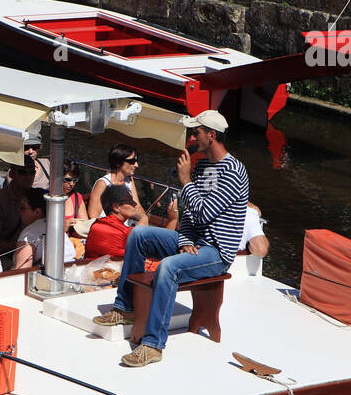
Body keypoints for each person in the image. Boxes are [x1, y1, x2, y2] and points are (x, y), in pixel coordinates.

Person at [98, 110, 248, 368]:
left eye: (196, 132)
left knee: (168, 266)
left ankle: (153, 345)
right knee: (139, 234)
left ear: (211, 136)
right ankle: (125, 308)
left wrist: (186, 180)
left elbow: (204, 212)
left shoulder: (234, 172)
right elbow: (189, 214)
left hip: (216, 252)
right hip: (194, 242)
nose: (192, 137)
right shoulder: (201, 166)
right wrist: (183, 241)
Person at [83, 183, 177, 259]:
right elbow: (164, 245)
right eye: (130, 201)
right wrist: (173, 219)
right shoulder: (118, 231)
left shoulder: (99, 224)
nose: (134, 204)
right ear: (116, 207)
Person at [12, 188, 77, 271]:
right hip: (71, 272)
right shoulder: (55, 226)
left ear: (37, 212)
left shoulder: (29, 233)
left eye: (22, 208)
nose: (19, 211)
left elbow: (21, 271)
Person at [0, 162, 36, 256]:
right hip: (5, 258)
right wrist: (22, 245)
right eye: (22, 172)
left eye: (32, 172)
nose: (28, 176)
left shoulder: (37, 197)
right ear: (11, 174)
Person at [88, 143, 141, 222]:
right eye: (132, 161)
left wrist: (144, 218)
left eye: (136, 161)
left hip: (125, 228)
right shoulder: (103, 183)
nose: (136, 165)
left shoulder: (129, 180)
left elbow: (137, 206)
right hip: (109, 228)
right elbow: (93, 216)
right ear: (118, 163)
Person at [60, 159, 90, 224]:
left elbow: (85, 225)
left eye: (75, 180)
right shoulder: (47, 197)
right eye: (67, 179)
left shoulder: (77, 197)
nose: (72, 184)